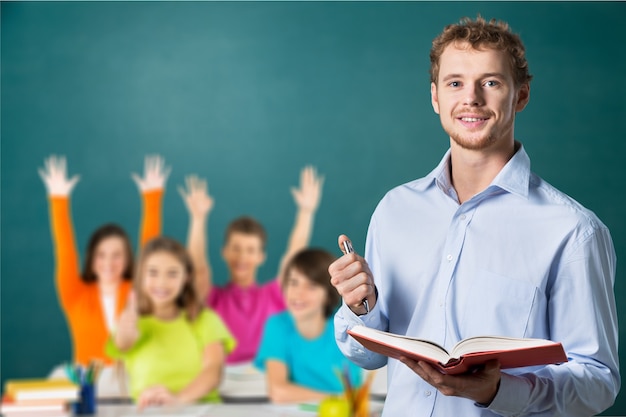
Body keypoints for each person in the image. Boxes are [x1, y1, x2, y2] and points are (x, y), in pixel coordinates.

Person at [328, 15, 619, 417]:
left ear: (521, 95)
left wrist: (499, 390)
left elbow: (598, 383)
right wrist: (362, 308)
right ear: (435, 97)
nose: (472, 99)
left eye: (491, 82)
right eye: (455, 83)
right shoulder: (395, 210)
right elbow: (367, 356)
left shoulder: (573, 231)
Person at [38, 154, 169, 366]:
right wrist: (59, 200)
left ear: (128, 259)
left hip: (134, 386)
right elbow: (65, 250)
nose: (108, 263)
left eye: (117, 255)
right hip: (88, 388)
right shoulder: (75, 294)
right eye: (101, 255)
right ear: (91, 258)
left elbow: (150, 253)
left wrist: (152, 198)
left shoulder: (137, 290)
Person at [190, 165, 324, 364]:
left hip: (267, 382)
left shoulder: (273, 295)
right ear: (224, 252)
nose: (242, 256)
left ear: (261, 256)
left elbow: (293, 258)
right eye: (236, 248)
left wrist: (306, 212)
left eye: (251, 250)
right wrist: (198, 219)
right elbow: (198, 269)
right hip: (222, 380)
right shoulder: (214, 298)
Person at [107, 236, 235, 407]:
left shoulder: (205, 319)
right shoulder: (131, 322)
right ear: (141, 275)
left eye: (172, 274)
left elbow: (213, 371)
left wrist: (177, 400)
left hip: (202, 409)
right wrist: (125, 334)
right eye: (152, 272)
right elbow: (122, 344)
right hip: (150, 410)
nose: (162, 282)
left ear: (186, 277)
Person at [254, 248, 362, 403]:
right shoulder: (277, 326)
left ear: (328, 294)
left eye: (311, 286)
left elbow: (353, 396)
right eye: (293, 283)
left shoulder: (345, 329)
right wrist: (334, 400)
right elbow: (278, 391)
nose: (298, 293)